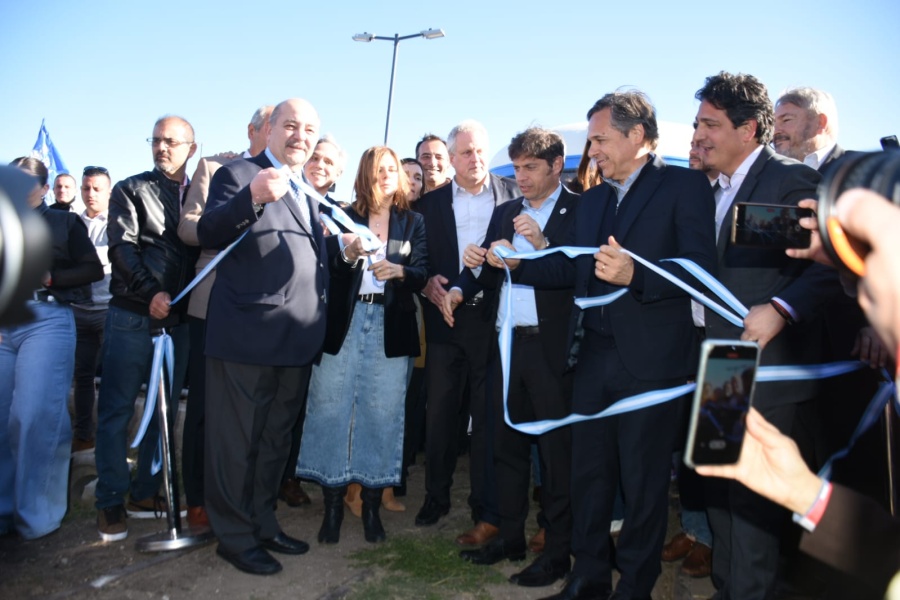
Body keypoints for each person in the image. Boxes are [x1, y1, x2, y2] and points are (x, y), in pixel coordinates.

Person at [508, 91, 718, 600]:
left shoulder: (685, 186)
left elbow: (699, 268)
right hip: (593, 359)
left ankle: (635, 587)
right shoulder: (596, 198)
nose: (593, 150)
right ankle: (588, 578)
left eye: (601, 139)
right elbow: (574, 266)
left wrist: (637, 275)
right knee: (590, 477)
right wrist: (521, 265)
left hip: (654, 365)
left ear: (637, 136)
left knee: (644, 485)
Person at [693, 71, 842, 600]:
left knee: (753, 505)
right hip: (720, 364)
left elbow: (833, 262)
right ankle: (728, 589)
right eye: (697, 123)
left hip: (769, 369)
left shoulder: (789, 181)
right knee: (719, 489)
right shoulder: (706, 190)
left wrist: (781, 308)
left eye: (711, 124)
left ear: (748, 129)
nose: (700, 135)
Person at [198, 98, 341, 576]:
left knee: (274, 442)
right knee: (236, 443)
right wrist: (253, 196)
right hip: (248, 337)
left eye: (310, 128)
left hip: (296, 340)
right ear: (270, 129)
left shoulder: (307, 188)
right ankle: (234, 537)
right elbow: (209, 230)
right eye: (291, 125)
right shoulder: (240, 173)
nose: (301, 135)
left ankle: (261, 522)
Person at [445, 127, 579, 589]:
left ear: (556, 166)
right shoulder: (505, 212)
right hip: (504, 344)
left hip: (550, 349)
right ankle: (510, 537)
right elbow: (484, 269)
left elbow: (580, 274)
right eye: (516, 167)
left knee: (556, 455)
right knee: (505, 446)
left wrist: (539, 248)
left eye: (530, 168)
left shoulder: (578, 210)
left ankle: (558, 551)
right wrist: (466, 280)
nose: (519, 177)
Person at [297, 146, 428, 545]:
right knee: (329, 409)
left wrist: (401, 271)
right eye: (377, 170)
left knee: (382, 413)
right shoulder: (342, 214)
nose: (385, 176)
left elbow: (422, 272)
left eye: (391, 170)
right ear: (364, 175)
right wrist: (349, 253)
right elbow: (329, 269)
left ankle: (372, 507)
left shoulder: (413, 221)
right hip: (345, 321)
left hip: (392, 326)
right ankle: (333, 506)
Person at [414, 120, 520, 544]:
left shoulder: (513, 195)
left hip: (493, 319)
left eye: (480, 151)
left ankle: (485, 506)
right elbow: (417, 259)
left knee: (489, 416)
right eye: (465, 153)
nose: (474, 159)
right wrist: (425, 284)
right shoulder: (428, 204)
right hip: (444, 319)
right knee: (440, 415)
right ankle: (435, 497)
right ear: (451, 159)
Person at [94, 116, 197, 542]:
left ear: (192, 147)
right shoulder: (129, 189)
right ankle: (110, 499)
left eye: (172, 141)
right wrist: (150, 292)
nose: (162, 148)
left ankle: (145, 493)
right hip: (132, 315)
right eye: (156, 140)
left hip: (179, 323)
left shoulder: (202, 194)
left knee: (164, 411)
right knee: (116, 409)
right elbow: (122, 247)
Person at [178, 105, 272, 529]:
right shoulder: (217, 168)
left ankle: (246, 493)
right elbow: (190, 227)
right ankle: (197, 498)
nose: (283, 135)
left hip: (263, 309)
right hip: (213, 300)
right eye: (274, 126)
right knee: (204, 406)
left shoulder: (298, 181)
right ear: (253, 130)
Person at [1, 157, 103, 540]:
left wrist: (52, 276)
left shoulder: (64, 222)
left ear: (44, 188)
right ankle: (3, 512)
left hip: (47, 318)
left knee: (33, 416)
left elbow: (93, 268)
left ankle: (37, 517)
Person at [660, 133, 720, 579]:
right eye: (692, 147)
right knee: (685, 442)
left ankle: (716, 541)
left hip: (723, 339)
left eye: (705, 145)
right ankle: (694, 527)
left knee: (715, 442)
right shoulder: (677, 199)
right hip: (682, 335)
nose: (697, 154)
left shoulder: (736, 196)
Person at [70, 165, 113, 452]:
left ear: (109, 190)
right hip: (77, 311)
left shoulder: (118, 222)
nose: (91, 194)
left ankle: (110, 441)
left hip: (108, 311)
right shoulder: (71, 224)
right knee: (82, 377)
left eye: (97, 189)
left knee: (112, 377)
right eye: (86, 188)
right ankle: (84, 435)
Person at [773, 87, 845, 169]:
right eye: (773, 124)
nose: (775, 131)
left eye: (786, 120)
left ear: (820, 122)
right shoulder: (770, 176)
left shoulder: (856, 170)